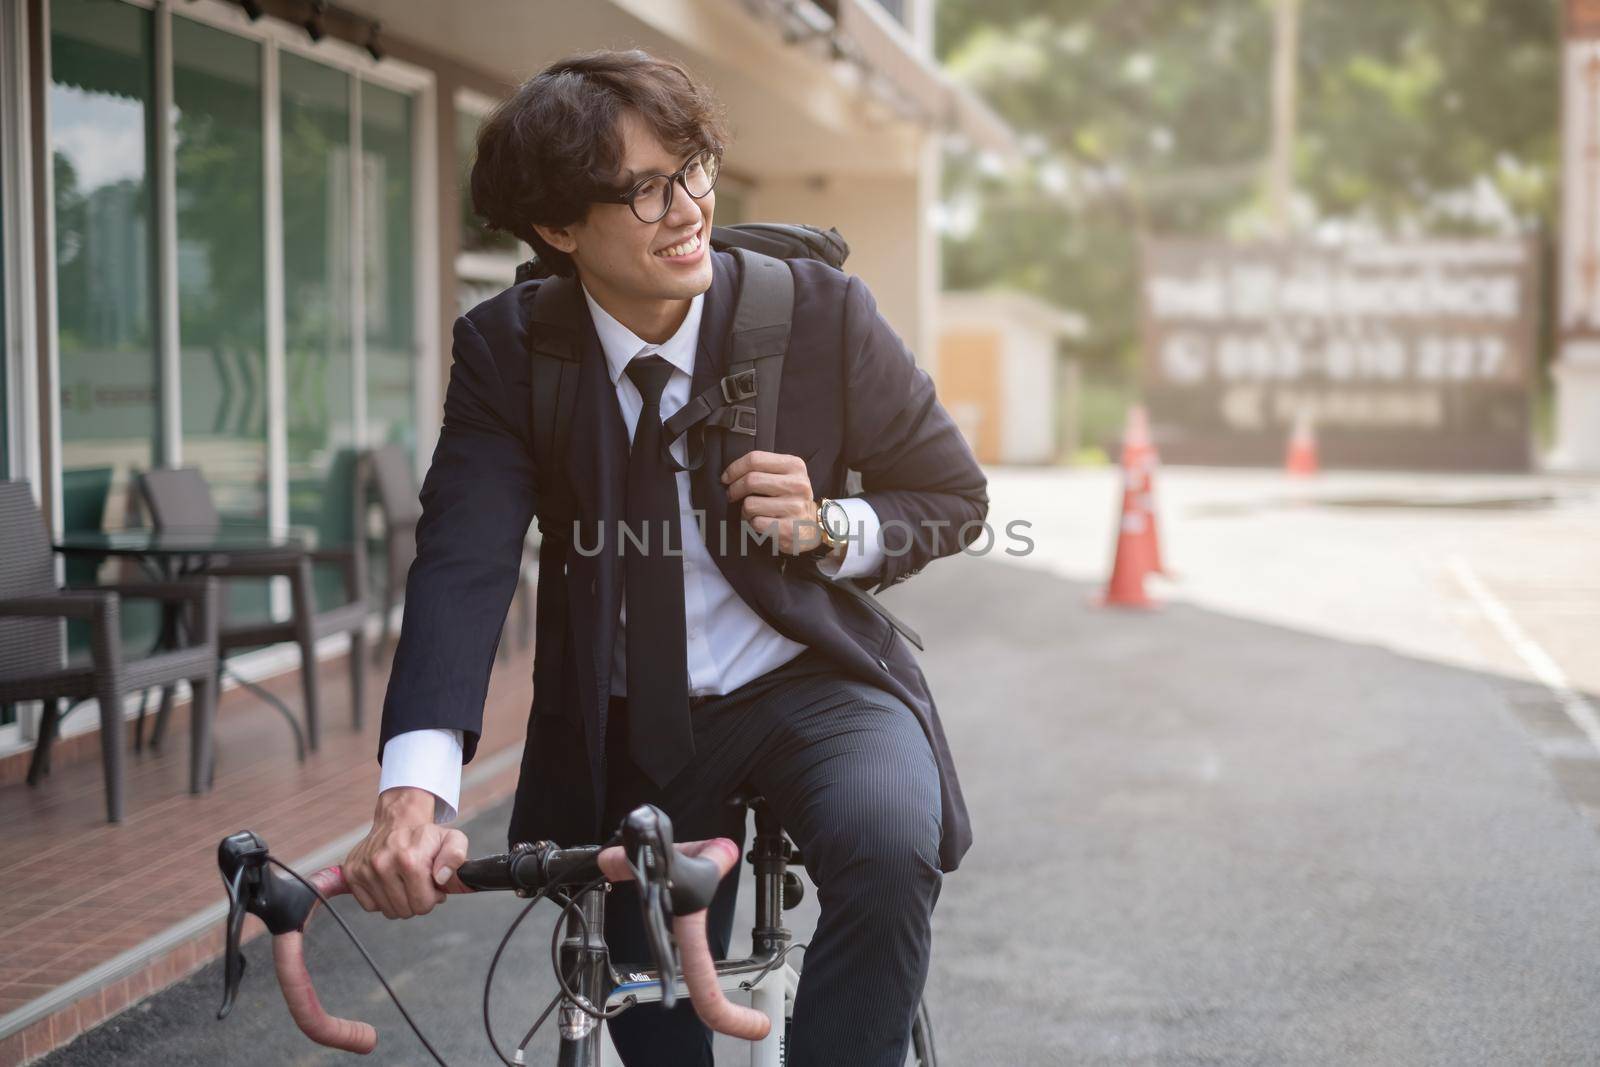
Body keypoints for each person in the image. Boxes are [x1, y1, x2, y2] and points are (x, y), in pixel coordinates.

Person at [342, 48, 988, 1066]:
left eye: (692, 167)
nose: (688, 207)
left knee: (885, 841)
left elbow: (951, 497)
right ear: (559, 228)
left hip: (811, 679)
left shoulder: (820, 313)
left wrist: (831, 524)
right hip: (628, 718)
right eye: (643, 190)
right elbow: (462, 561)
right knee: (649, 1009)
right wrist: (413, 793)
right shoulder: (509, 350)